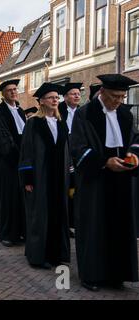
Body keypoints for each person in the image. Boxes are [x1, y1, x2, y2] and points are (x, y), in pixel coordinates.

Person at [70, 74, 139, 291]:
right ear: (102, 93)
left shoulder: (126, 115)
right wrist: (104, 162)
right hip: (96, 180)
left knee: (119, 224)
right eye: (114, 96)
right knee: (94, 226)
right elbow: (78, 148)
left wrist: (134, 155)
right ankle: (92, 275)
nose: (118, 101)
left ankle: (117, 274)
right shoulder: (85, 114)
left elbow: (135, 139)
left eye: (121, 97)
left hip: (121, 179)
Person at [19, 82, 71, 270]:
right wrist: (28, 179)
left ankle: (57, 254)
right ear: (41, 101)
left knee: (59, 214)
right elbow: (26, 152)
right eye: (51, 97)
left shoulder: (61, 123)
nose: (55, 100)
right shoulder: (34, 123)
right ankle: (39, 256)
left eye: (57, 98)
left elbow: (67, 151)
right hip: (41, 176)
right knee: (40, 215)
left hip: (59, 177)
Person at [0, 79, 26, 247]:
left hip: (21, 160)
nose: (13, 92)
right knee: (7, 198)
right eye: (9, 90)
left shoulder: (20, 111)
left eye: (15, 89)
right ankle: (6, 233)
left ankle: (18, 232)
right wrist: (15, 154)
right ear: (3, 94)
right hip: (8, 161)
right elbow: (2, 137)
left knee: (19, 198)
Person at [59, 83, 83, 238]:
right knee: (66, 191)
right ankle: (64, 225)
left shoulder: (82, 112)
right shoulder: (59, 111)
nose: (77, 96)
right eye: (73, 94)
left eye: (78, 94)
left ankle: (77, 223)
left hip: (80, 156)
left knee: (78, 191)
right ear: (66, 96)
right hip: (65, 156)